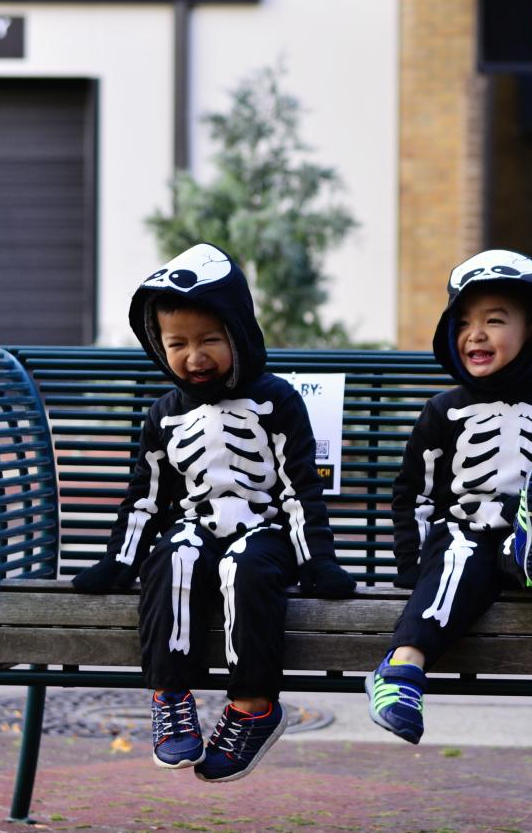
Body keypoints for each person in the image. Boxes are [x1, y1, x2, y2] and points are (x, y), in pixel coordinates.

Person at [71, 242, 356, 782]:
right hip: (198, 526)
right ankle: (169, 696)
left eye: (209, 341)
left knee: (243, 567)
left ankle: (255, 708)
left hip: (263, 529)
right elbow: (147, 496)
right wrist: (119, 561)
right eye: (177, 343)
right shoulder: (164, 413)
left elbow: (299, 488)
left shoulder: (276, 401)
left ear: (239, 335)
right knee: (171, 557)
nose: (193, 357)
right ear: (158, 344)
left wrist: (317, 562)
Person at [366, 249, 532, 744]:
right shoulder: (443, 411)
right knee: (460, 556)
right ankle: (402, 666)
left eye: (494, 321)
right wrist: (412, 566)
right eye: (463, 322)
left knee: (526, 548)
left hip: (526, 547)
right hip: (461, 534)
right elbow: (413, 491)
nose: (475, 334)